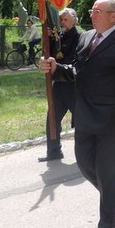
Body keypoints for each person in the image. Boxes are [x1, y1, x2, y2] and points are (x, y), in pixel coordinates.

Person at [40, 0, 115, 228]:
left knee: (108, 175)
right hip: (84, 115)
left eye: (99, 11)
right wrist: (56, 67)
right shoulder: (86, 38)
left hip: (112, 120)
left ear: (113, 16)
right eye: (92, 10)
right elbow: (78, 70)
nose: (93, 14)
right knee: (86, 166)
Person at [39, 8, 81, 162]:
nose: (62, 22)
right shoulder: (57, 37)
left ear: (75, 20)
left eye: (65, 19)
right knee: (52, 120)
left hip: (74, 85)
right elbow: (48, 55)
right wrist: (48, 38)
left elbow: (73, 61)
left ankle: (84, 154)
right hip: (58, 86)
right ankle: (54, 152)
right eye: (61, 20)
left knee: (81, 122)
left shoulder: (80, 38)